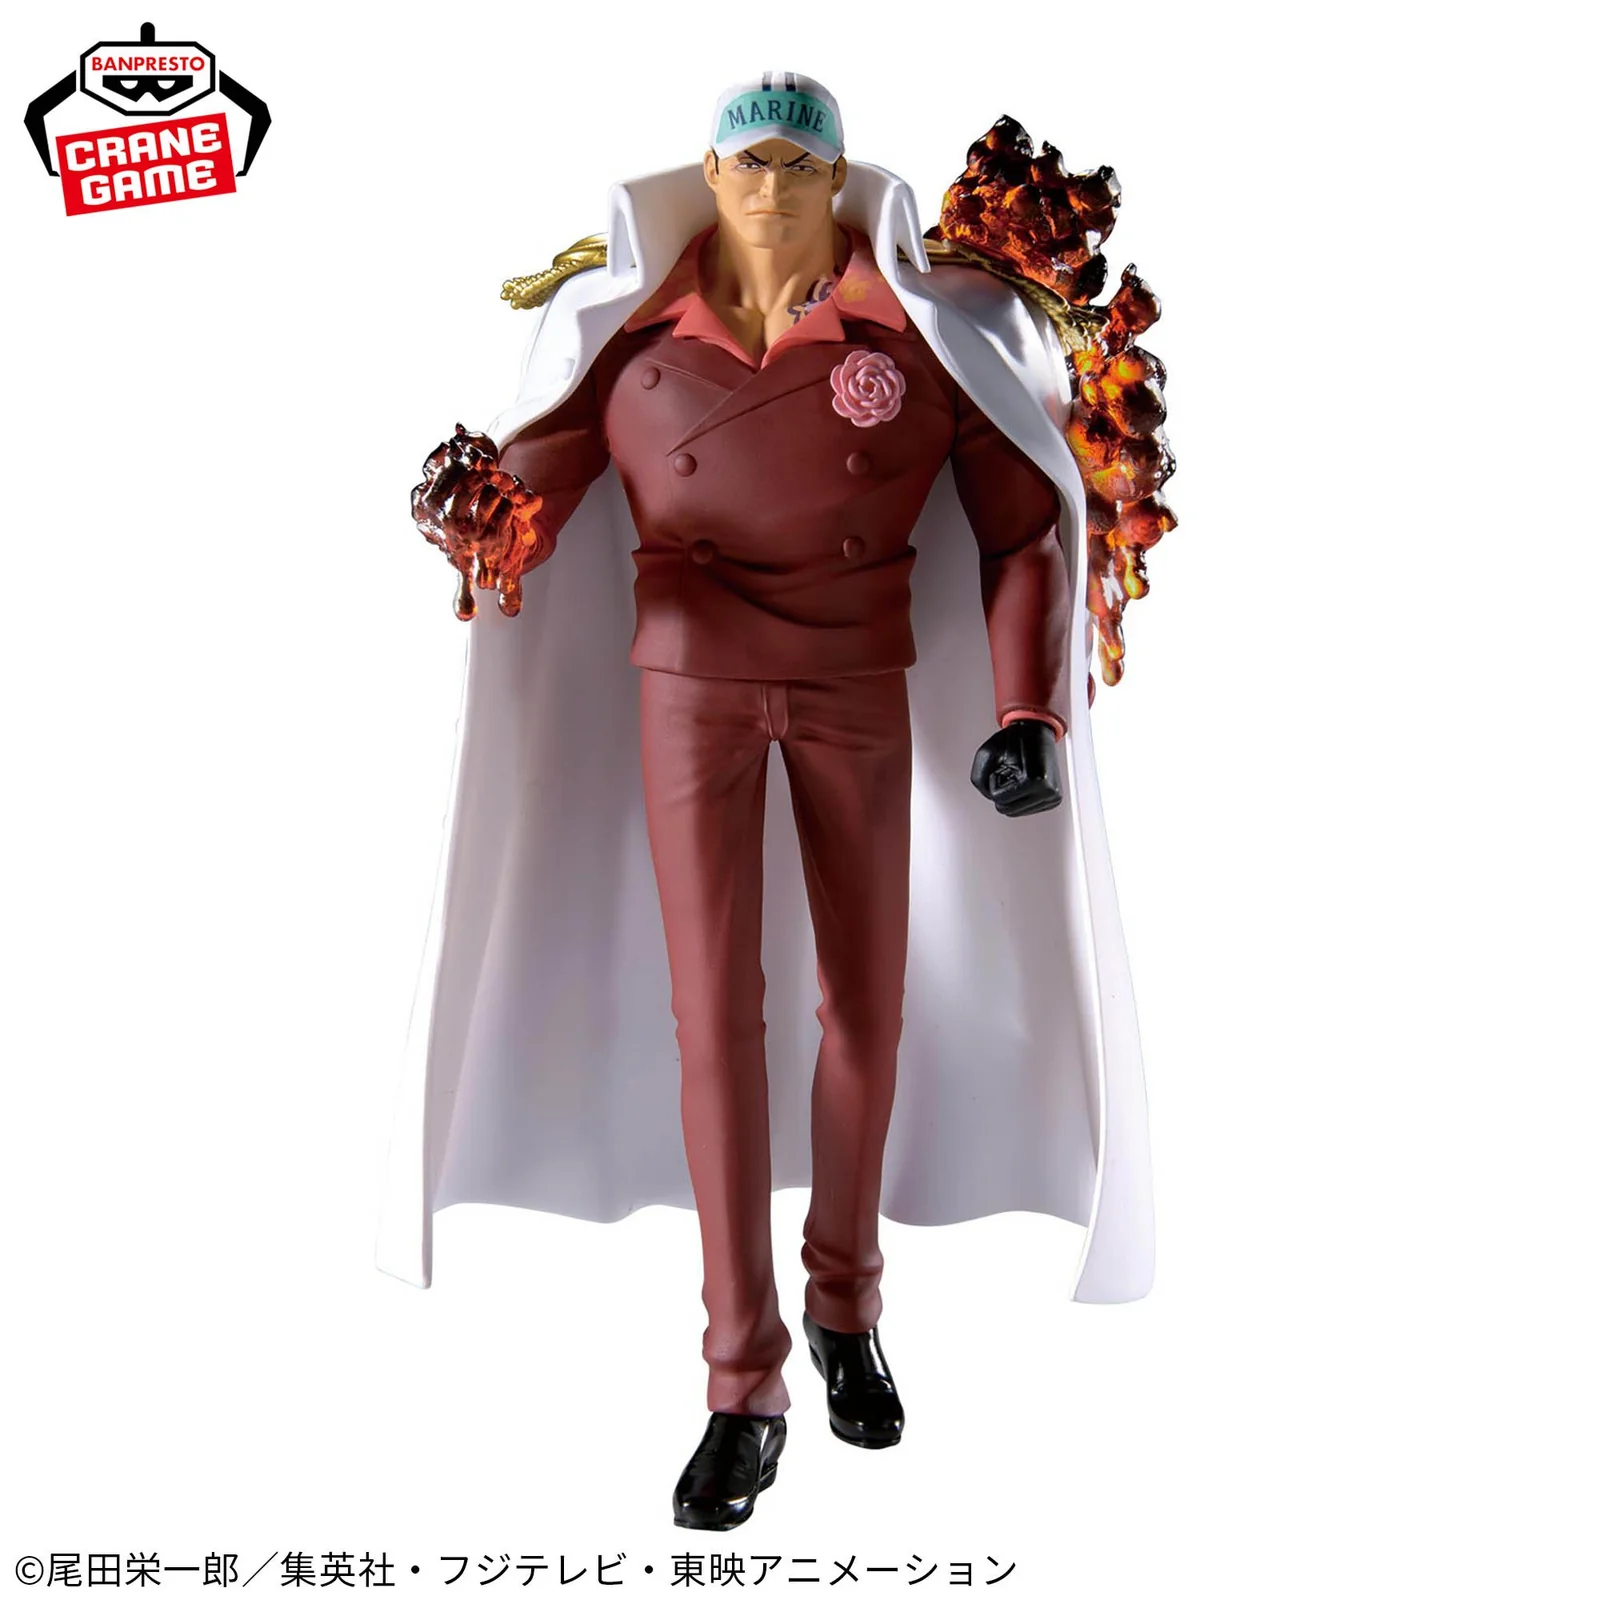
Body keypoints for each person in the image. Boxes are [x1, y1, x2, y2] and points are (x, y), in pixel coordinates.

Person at [381, 70, 1155, 1533]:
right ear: (712, 174)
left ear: (839, 180)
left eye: (802, 166)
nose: (773, 189)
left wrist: (1029, 711)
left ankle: (846, 1302)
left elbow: (1021, 531)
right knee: (712, 1024)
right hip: (689, 686)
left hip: (858, 675)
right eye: (749, 164)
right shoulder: (628, 339)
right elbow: (528, 501)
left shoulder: (920, 336)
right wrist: (467, 514)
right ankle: (742, 1381)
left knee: (866, 1006)